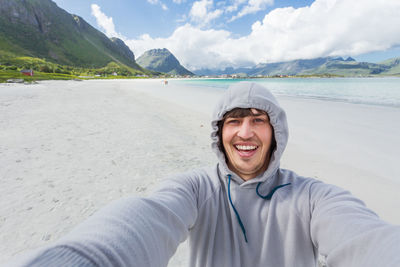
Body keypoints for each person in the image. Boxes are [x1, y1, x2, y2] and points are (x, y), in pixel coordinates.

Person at [7, 82, 400, 267]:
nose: (245, 132)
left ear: (276, 131)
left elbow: (366, 239)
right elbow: (142, 220)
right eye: (234, 121)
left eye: (258, 120)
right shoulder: (195, 188)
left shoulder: (313, 197)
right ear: (218, 131)